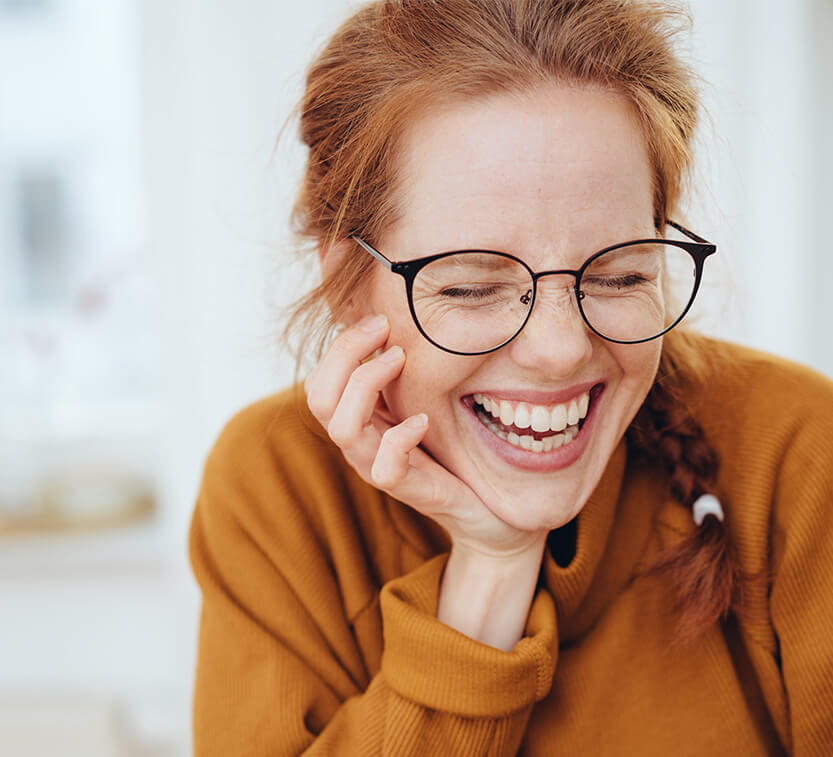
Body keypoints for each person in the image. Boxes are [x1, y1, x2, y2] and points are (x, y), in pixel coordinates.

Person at [189, 0, 833, 754]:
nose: (560, 349)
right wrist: (491, 567)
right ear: (344, 282)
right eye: (469, 287)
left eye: (620, 274)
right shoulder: (278, 487)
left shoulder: (797, 450)